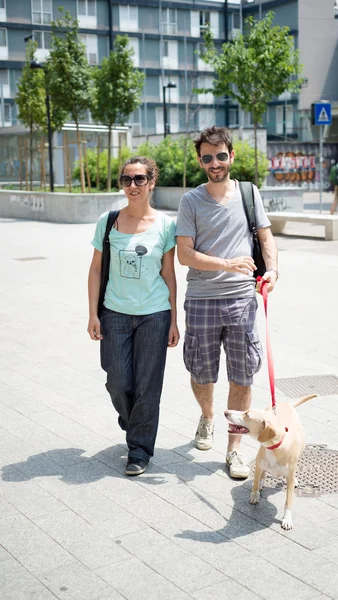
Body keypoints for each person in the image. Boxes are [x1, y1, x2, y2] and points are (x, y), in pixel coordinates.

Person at [176, 126, 278, 480]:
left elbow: (265, 237)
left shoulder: (249, 193)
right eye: (207, 157)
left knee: (242, 375)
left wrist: (274, 271)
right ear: (200, 161)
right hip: (202, 300)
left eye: (221, 155)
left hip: (241, 301)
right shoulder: (191, 201)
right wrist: (227, 263)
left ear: (231, 156)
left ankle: (234, 451)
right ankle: (207, 417)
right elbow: (184, 255)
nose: (215, 163)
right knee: (201, 373)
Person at [87, 156, 179, 476]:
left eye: (139, 179)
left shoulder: (167, 225)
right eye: (126, 180)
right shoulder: (109, 220)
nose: (133, 186)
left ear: (152, 182)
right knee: (118, 381)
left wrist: (174, 319)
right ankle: (132, 420)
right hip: (114, 313)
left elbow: (168, 274)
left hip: (154, 314)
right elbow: (96, 268)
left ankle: (139, 449)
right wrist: (92, 315)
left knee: (148, 386)